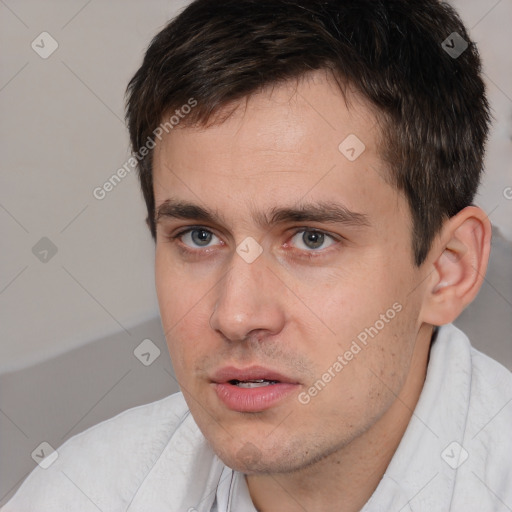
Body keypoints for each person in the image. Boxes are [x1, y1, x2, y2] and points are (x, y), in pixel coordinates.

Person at [3, 0, 511, 510]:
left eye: (312, 238)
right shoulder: (80, 494)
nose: (235, 315)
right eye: (199, 236)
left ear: (448, 271)